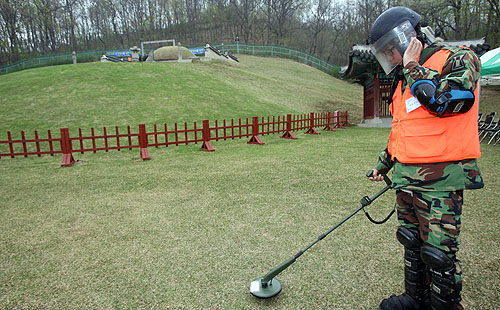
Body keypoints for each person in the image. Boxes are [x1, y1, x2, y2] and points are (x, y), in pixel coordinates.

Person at [366, 6, 484, 310]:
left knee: (439, 253)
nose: (390, 58)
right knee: (411, 241)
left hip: (441, 180)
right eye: (386, 53)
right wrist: (384, 162)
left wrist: (413, 65)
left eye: (391, 51)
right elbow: (404, 129)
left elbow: (444, 102)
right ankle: (415, 298)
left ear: (408, 39)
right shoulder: (403, 78)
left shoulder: (458, 57)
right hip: (407, 179)